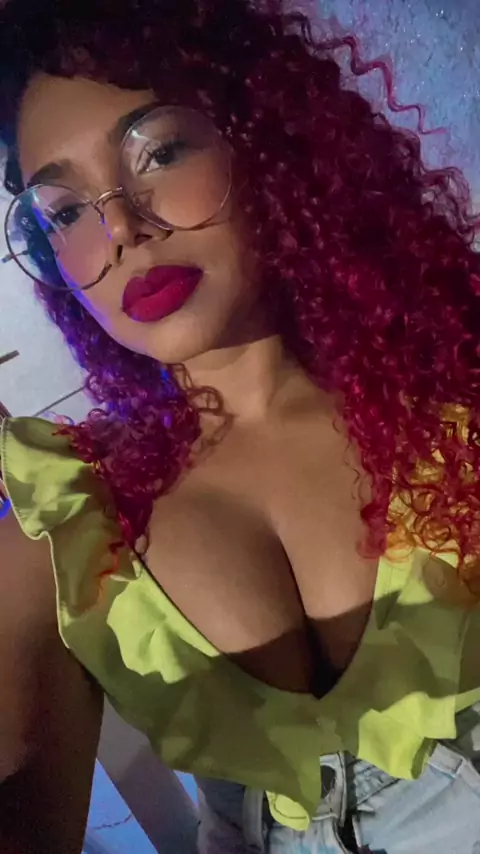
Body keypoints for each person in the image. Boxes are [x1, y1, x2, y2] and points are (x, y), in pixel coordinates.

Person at [1, 0, 480, 850]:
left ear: (265, 147)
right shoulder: (67, 525)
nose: (121, 229)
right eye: (64, 211)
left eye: (160, 153)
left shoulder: (455, 393)